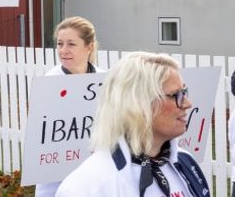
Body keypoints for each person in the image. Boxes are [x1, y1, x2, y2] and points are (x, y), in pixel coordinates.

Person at [56, 52, 210, 197]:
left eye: (185, 92)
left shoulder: (185, 162)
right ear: (139, 104)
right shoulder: (87, 186)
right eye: (176, 95)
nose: (187, 104)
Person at [36, 16, 106, 197]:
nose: (63, 50)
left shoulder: (105, 80)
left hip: (95, 169)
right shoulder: (49, 83)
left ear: (88, 47)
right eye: (60, 44)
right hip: (57, 176)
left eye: (71, 44)